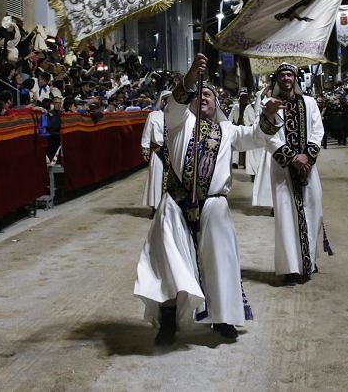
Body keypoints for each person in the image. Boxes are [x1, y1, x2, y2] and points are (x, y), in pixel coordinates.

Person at [134, 53, 283, 345]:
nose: (203, 96)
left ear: (217, 104)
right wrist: (191, 75)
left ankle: (223, 318)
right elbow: (176, 102)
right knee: (168, 263)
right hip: (175, 205)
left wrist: (267, 116)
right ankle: (168, 323)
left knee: (220, 262)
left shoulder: (227, 131)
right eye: (198, 93)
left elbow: (255, 137)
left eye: (209, 94)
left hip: (214, 204)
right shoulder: (177, 123)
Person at [268, 63, 330, 283]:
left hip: (308, 169)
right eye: (282, 75)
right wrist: (292, 159)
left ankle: (308, 263)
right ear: (277, 79)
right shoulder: (270, 106)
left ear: (295, 78)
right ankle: (290, 268)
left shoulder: (310, 103)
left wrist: (307, 157)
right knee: (286, 217)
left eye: (289, 74)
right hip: (283, 170)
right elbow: (269, 136)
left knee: (312, 211)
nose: (286, 78)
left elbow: (317, 130)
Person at [140, 90, 172, 219]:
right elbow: (147, 133)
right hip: (158, 151)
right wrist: (145, 148)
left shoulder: (177, 116)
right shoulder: (153, 115)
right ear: (163, 102)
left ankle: (170, 208)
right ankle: (155, 207)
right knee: (156, 179)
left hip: (173, 152)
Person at [228, 89, 258, 175]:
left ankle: (244, 164)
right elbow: (231, 116)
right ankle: (235, 162)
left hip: (246, 129)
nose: (244, 99)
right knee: (236, 145)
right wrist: (229, 125)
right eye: (242, 98)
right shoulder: (236, 107)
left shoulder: (249, 107)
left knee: (246, 148)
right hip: (237, 127)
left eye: (245, 98)